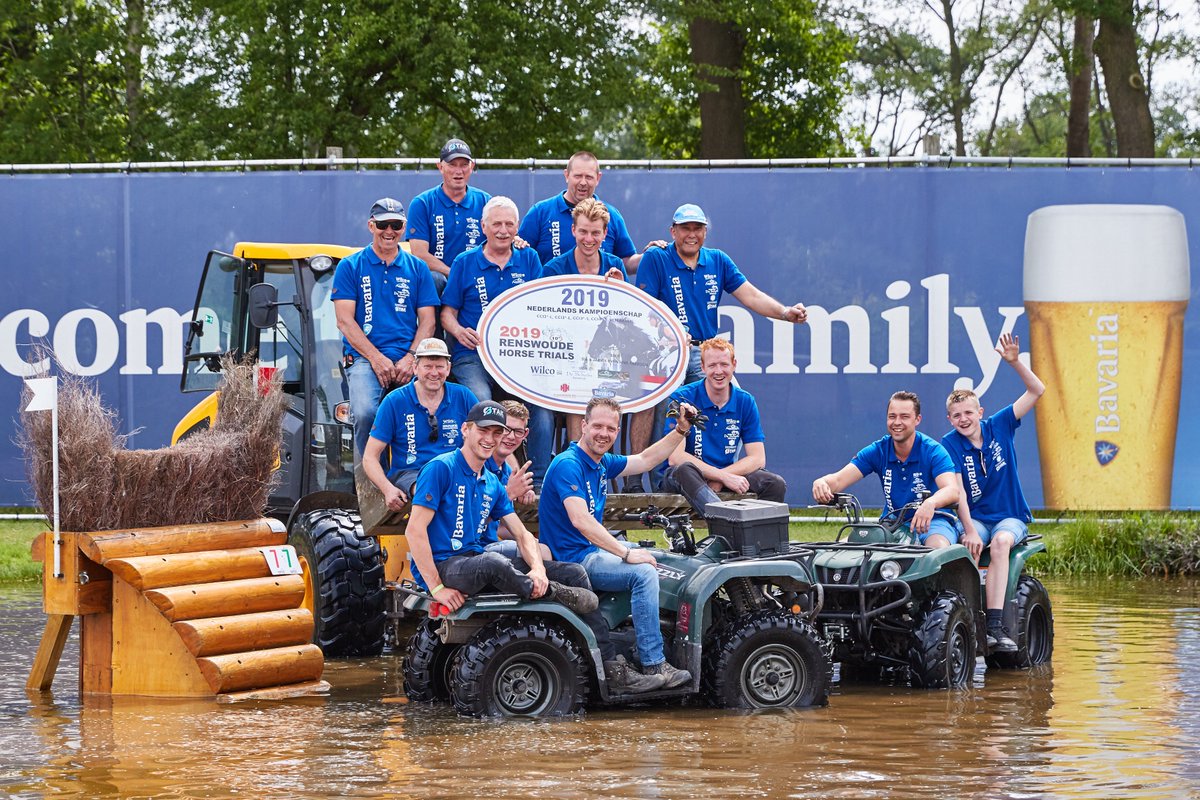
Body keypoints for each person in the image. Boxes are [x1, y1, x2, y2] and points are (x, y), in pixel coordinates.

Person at [406, 399, 665, 694]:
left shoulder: (490, 481)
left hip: (473, 559)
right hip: (445, 566)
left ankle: (611, 668)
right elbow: (414, 531)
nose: (489, 439)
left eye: (496, 433)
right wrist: (437, 588)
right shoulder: (441, 468)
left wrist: (539, 570)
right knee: (494, 562)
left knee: (573, 573)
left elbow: (523, 535)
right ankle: (553, 595)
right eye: (483, 431)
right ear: (465, 429)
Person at [538, 396, 701, 689]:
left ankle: (638, 640)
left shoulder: (601, 462)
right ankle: (654, 662)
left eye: (611, 429)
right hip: (574, 559)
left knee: (658, 559)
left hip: (590, 551)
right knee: (642, 571)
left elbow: (646, 460)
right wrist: (626, 553)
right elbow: (581, 521)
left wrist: (680, 431)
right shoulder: (568, 464)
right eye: (597, 426)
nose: (604, 433)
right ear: (583, 426)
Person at [941, 333, 1045, 652]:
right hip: (977, 518)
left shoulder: (1000, 424)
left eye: (968, 413)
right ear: (950, 419)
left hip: (1009, 516)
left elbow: (1037, 390)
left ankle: (996, 626)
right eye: (957, 415)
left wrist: (1014, 362)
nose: (963, 419)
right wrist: (970, 531)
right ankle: (965, 622)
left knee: (1001, 543)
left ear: (980, 412)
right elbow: (956, 491)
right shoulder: (949, 443)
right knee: (964, 549)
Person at [442, 195, 555, 484]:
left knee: (542, 409)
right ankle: (492, 476)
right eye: (497, 224)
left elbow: (541, 306)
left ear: (518, 227)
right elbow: (447, 314)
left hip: (518, 356)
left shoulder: (529, 258)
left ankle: (537, 483)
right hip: (474, 354)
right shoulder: (465, 262)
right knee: (483, 403)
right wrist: (458, 332)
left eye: (509, 224)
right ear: (483, 226)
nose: (503, 230)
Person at [333, 198, 439, 464]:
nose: (389, 230)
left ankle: (418, 479)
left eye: (396, 224)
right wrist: (376, 358)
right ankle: (374, 484)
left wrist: (412, 357)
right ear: (371, 225)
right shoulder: (350, 265)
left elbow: (428, 321)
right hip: (364, 359)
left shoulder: (417, 267)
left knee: (430, 413)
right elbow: (344, 321)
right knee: (366, 412)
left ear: (404, 227)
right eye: (383, 224)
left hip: (408, 358)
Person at [812, 391, 961, 548]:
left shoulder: (933, 450)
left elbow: (952, 490)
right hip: (892, 523)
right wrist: (821, 483)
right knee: (839, 550)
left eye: (904, 416)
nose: (897, 422)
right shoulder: (879, 450)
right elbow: (838, 480)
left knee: (937, 551)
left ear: (917, 419)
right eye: (892, 416)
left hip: (933, 521)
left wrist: (930, 503)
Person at [660, 338, 785, 513]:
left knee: (774, 483)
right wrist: (723, 477)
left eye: (724, 365)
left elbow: (757, 458)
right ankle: (723, 522)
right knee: (684, 469)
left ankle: (761, 540)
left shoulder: (745, 400)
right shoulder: (681, 398)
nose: (719, 371)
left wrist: (722, 478)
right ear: (702, 368)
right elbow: (676, 457)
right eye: (712, 366)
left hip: (726, 473)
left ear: (734, 365)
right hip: (686, 478)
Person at [361, 337, 477, 510]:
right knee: (431, 489)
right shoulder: (394, 401)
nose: (434, 372)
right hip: (412, 475)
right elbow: (369, 457)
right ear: (415, 368)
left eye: (439, 366)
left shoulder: (464, 396)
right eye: (427, 366)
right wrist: (388, 490)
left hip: (456, 472)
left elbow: (488, 439)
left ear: (448, 368)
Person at [518, 151, 648, 273]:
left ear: (598, 178)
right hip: (550, 294)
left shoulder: (611, 215)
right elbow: (520, 254)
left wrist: (651, 256)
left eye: (589, 177)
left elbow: (626, 261)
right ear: (567, 175)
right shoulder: (540, 212)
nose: (583, 182)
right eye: (578, 176)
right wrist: (513, 243)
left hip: (599, 295)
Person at [406, 138, 491, 293]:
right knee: (434, 279)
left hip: (478, 276)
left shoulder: (486, 201)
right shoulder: (423, 203)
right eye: (452, 164)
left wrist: (516, 240)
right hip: (441, 278)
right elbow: (420, 254)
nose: (459, 171)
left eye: (464, 164)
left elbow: (500, 239)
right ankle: (431, 318)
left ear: (471, 167)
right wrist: (454, 273)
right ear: (440, 167)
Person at [481, 400, 548, 560]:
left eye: (517, 431)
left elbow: (498, 528)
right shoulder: (478, 464)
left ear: (525, 434)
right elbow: (467, 521)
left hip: (492, 544)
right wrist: (509, 493)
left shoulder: (507, 471)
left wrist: (524, 492)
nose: (511, 437)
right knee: (542, 552)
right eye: (505, 429)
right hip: (471, 551)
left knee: (545, 549)